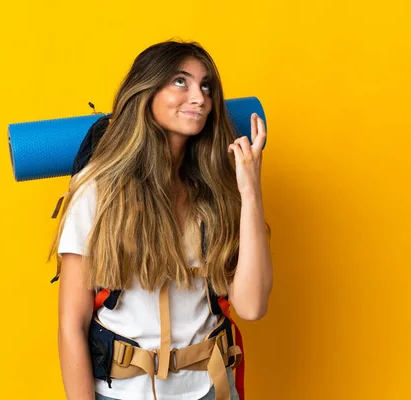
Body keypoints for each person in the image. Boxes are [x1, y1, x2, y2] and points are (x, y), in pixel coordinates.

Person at [49, 39, 273, 400]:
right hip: (123, 392)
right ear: (147, 92)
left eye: (206, 86)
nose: (199, 97)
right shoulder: (97, 191)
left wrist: (250, 191)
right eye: (180, 81)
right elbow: (71, 324)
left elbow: (251, 306)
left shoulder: (217, 190)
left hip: (211, 389)